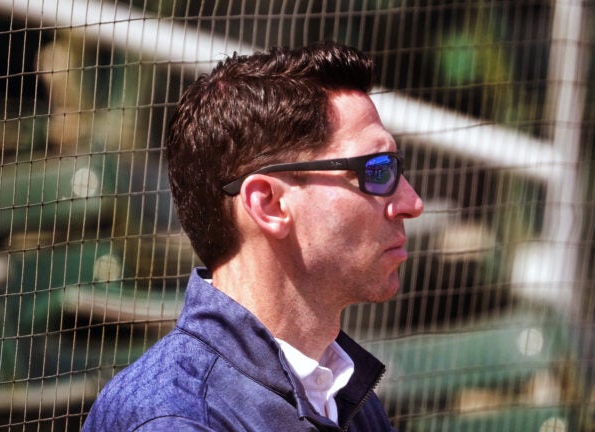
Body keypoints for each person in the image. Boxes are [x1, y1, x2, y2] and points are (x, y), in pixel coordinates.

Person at [82, 40, 424, 431]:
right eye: (376, 171)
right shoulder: (176, 418)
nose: (412, 203)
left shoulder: (337, 390)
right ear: (269, 205)